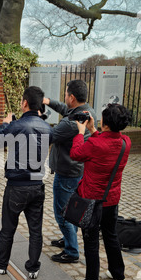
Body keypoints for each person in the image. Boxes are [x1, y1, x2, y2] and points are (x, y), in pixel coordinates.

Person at [0, 86, 53, 279]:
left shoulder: (16, 126)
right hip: (37, 185)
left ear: (24, 103)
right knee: (35, 230)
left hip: (17, 186)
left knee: (8, 228)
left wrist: (5, 123)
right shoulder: (47, 128)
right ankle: (33, 268)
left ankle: (1, 264)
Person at [70, 103, 132, 280]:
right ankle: (118, 273)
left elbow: (76, 154)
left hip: (92, 201)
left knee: (91, 241)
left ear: (105, 122)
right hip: (111, 200)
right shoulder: (125, 142)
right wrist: (93, 130)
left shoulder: (95, 144)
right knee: (111, 235)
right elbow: (106, 144)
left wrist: (81, 133)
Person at [43, 80, 97, 263]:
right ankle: (68, 240)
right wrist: (48, 101)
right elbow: (63, 109)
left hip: (67, 173)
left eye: (66, 94)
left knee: (62, 212)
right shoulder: (86, 112)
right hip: (77, 170)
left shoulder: (71, 122)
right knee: (70, 210)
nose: (64, 97)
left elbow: (49, 135)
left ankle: (72, 251)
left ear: (72, 97)